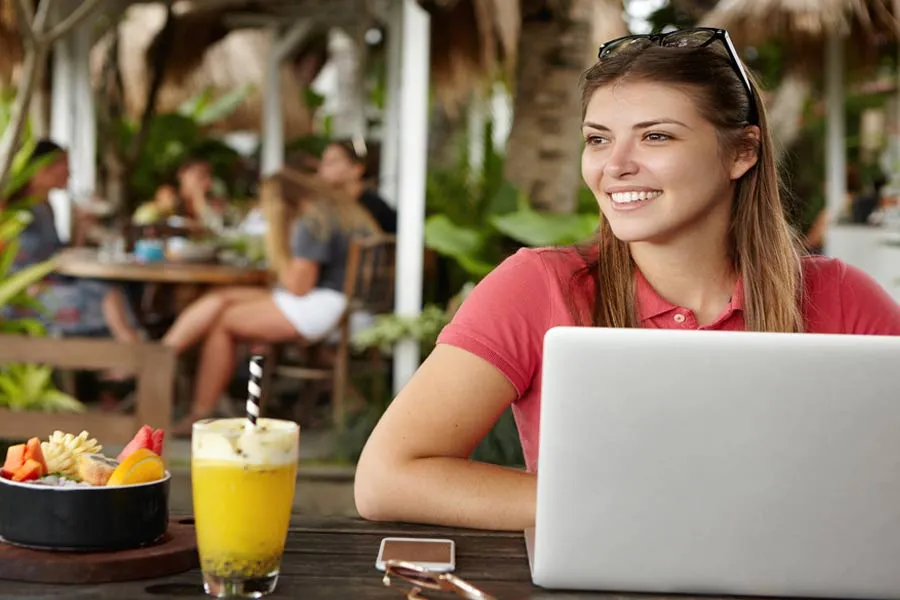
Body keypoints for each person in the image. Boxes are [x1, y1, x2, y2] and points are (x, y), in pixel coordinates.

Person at [353, 28, 900, 532]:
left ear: (742, 152)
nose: (614, 165)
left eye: (656, 137)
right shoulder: (540, 286)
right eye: (597, 139)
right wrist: (637, 506)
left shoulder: (842, 298)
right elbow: (387, 478)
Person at [161, 168, 381, 434]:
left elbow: (299, 285)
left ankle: (199, 411)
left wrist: (277, 247)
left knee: (224, 322)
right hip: (341, 302)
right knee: (220, 298)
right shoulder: (334, 211)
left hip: (322, 305)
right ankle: (163, 355)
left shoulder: (312, 220)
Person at [6, 140, 142, 345]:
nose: (69, 172)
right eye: (64, 164)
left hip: (50, 284)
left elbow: (59, 255)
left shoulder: (44, 206)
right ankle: (132, 353)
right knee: (106, 296)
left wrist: (81, 227)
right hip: (24, 298)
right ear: (42, 169)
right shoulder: (13, 210)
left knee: (112, 289)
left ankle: (126, 356)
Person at [317, 139, 397, 234]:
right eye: (323, 161)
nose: (323, 167)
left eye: (332, 162)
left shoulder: (375, 209)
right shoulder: (325, 205)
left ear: (357, 168)